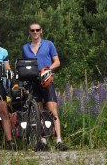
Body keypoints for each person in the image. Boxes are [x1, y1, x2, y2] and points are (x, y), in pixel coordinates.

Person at [21, 21, 69, 151]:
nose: (35, 32)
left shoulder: (49, 44)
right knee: (39, 112)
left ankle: (59, 140)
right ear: (29, 32)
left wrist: (48, 69)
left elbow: (57, 61)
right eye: (32, 30)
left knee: (52, 111)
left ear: (41, 31)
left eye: (37, 30)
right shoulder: (25, 48)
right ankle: (43, 140)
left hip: (46, 79)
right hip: (33, 81)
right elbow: (24, 65)